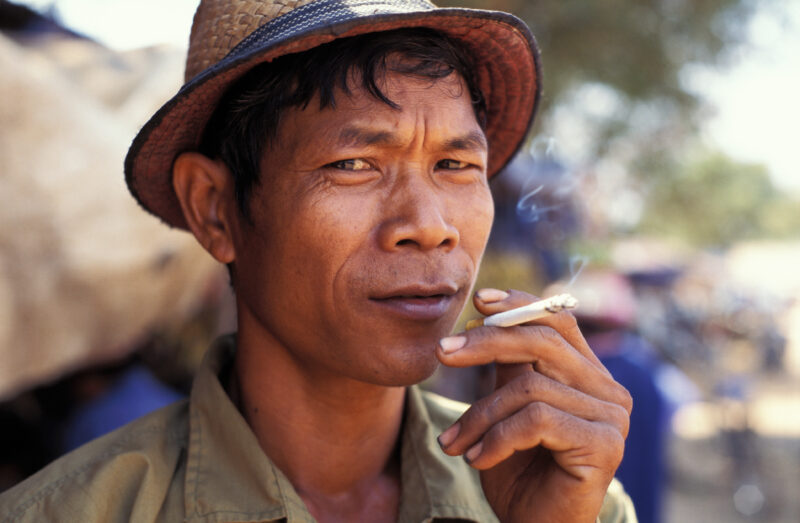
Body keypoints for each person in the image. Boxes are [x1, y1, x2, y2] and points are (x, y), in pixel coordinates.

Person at [0, 0, 636, 521]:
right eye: (353, 165)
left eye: (454, 164)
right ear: (215, 210)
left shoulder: (568, 498)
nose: (430, 227)